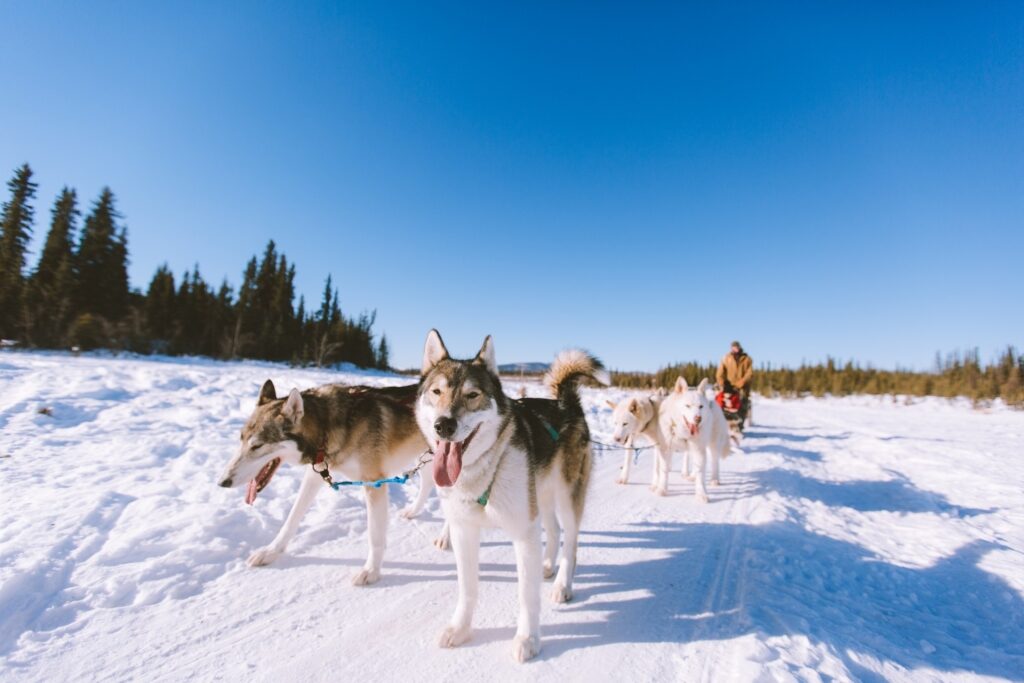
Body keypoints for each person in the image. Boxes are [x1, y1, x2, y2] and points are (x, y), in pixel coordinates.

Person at [716, 341, 753, 407]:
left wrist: (741, 383)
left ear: (739, 348)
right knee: (720, 399)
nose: (734, 349)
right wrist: (721, 383)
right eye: (733, 348)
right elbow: (720, 373)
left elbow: (749, 374)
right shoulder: (726, 358)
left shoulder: (747, 359)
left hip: (742, 387)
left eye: (736, 347)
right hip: (728, 386)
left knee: (742, 402)